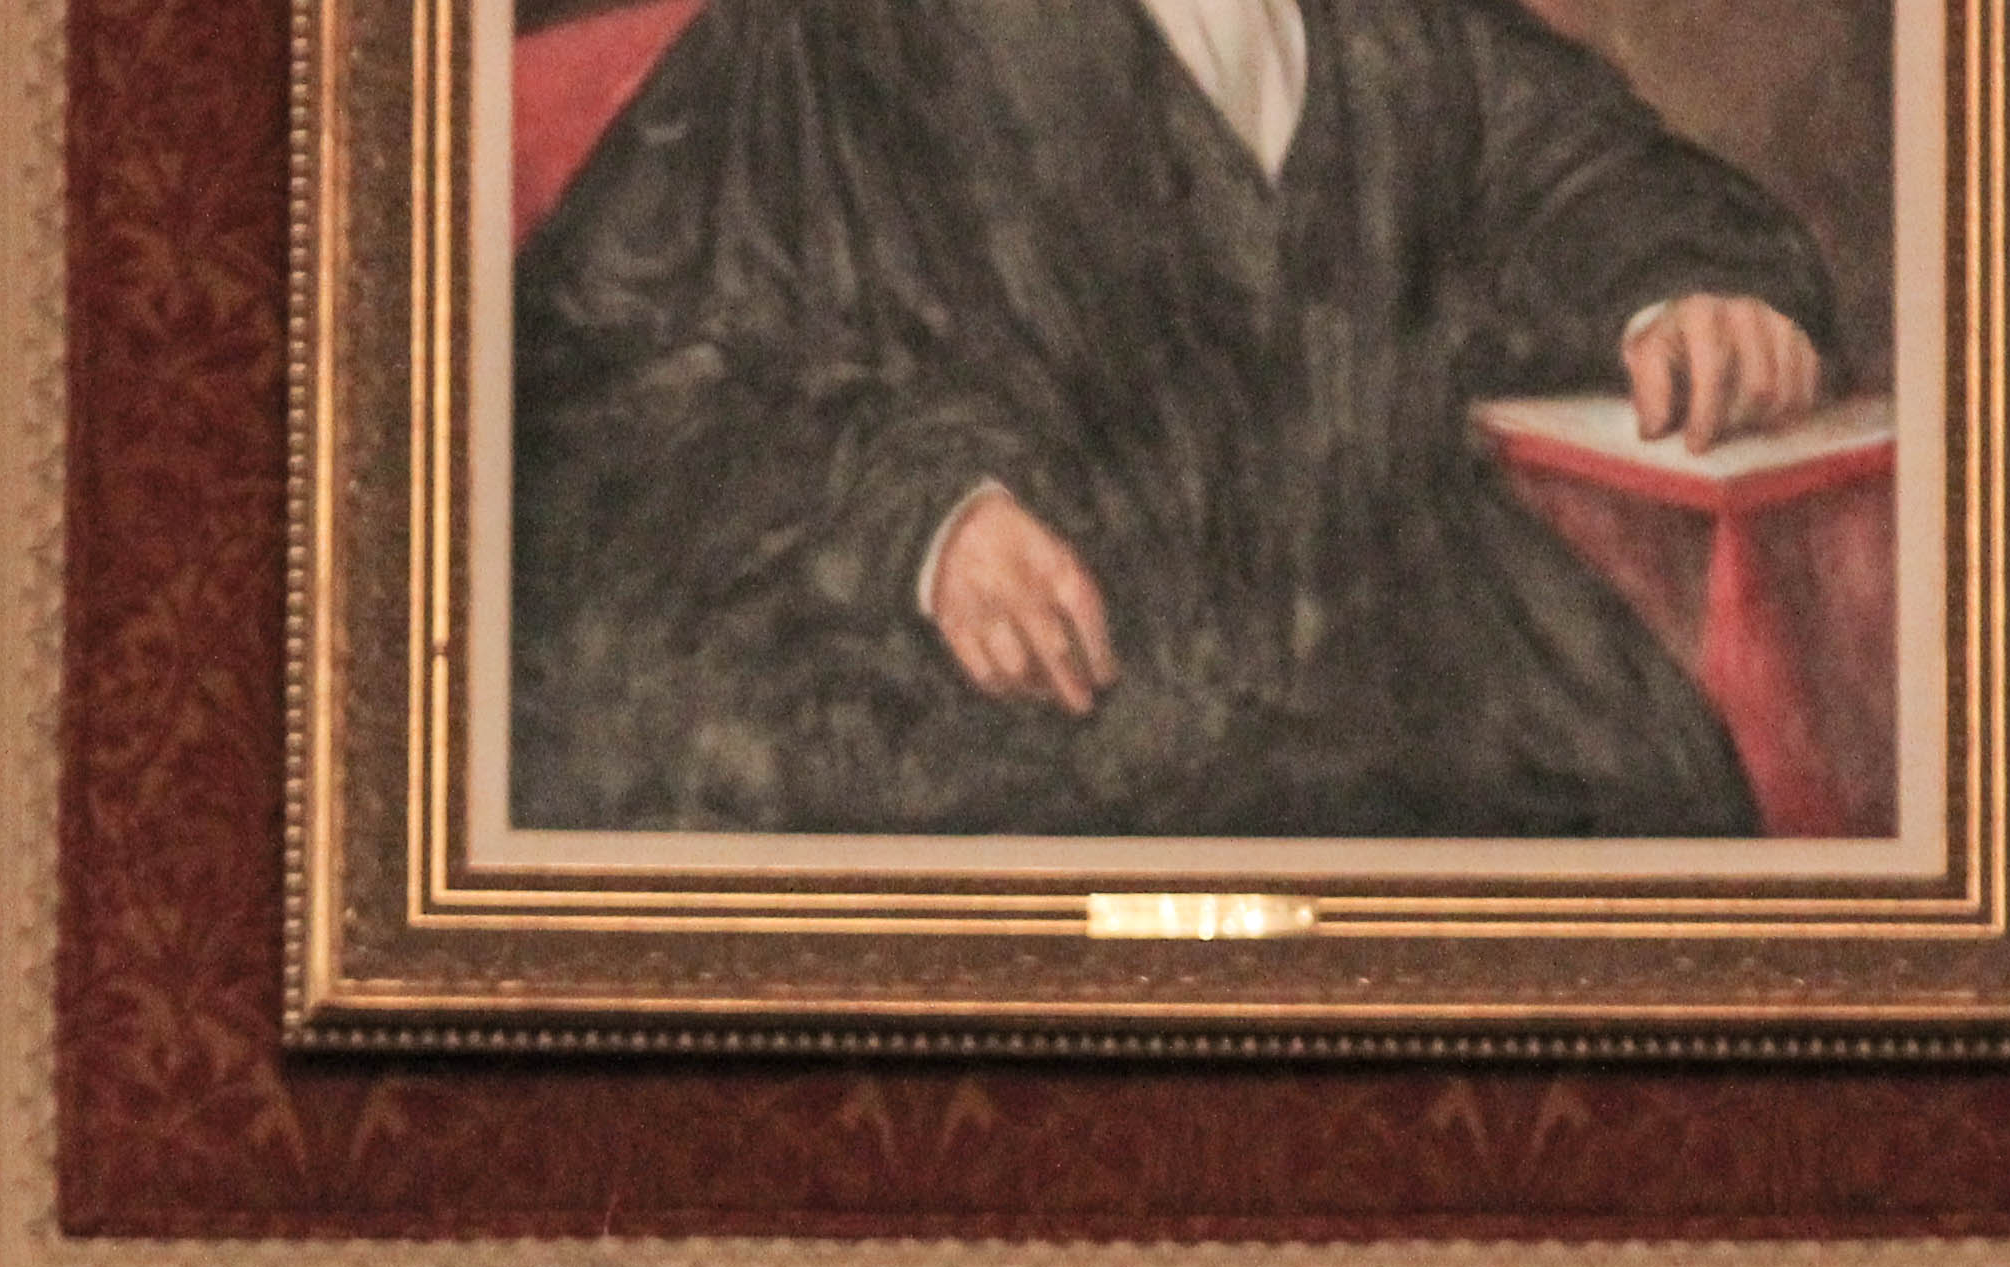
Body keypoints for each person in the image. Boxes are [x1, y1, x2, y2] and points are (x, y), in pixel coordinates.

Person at [509, 0, 1841, 837]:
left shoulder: (1393, 22)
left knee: (1645, 807)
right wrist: (921, 521)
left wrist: (1693, 287)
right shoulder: (842, 31)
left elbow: (1577, 168)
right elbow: (600, 375)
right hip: (1025, 704)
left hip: (1400, 654)